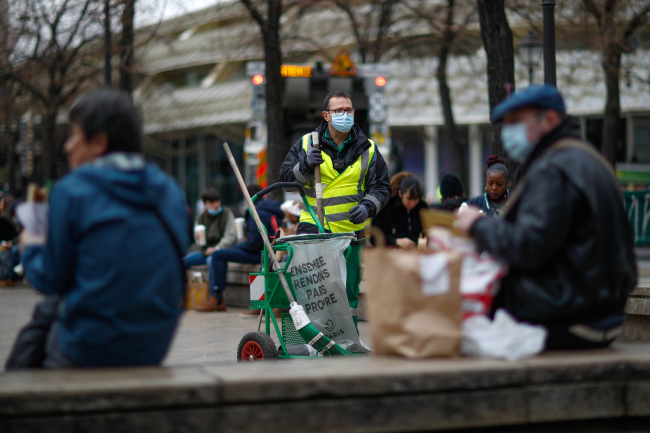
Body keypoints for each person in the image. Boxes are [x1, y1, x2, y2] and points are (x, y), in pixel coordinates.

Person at [6, 88, 190, 369]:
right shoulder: (170, 191)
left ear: (99, 142)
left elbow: (49, 280)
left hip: (89, 348)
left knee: (42, 321)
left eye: (73, 136)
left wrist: (31, 245)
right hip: (153, 347)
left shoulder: (73, 190)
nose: (67, 146)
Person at [456, 84, 636, 350]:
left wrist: (476, 224)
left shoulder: (553, 168)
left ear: (550, 119)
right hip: (599, 311)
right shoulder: (586, 158)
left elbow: (525, 245)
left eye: (517, 122)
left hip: (569, 313)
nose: (508, 132)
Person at [279, 90, 391, 326]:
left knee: (348, 291)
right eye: (338, 110)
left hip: (351, 233)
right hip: (314, 228)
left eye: (349, 110)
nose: (345, 114)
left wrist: (368, 206)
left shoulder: (368, 149)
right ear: (326, 116)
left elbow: (382, 187)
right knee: (314, 290)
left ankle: (347, 340)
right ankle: (313, 341)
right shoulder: (308, 143)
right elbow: (286, 181)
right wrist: (305, 166)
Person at [195, 184, 283, 312]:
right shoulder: (271, 208)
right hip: (271, 250)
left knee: (218, 255)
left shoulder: (257, 212)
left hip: (262, 252)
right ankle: (222, 300)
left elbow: (253, 244)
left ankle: (218, 298)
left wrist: (238, 246)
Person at [183, 188, 237, 295]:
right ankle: (181, 295)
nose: (216, 205)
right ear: (206, 204)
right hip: (205, 252)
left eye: (218, 201)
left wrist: (217, 248)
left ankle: (215, 297)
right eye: (212, 202)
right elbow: (199, 243)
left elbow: (231, 236)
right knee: (183, 262)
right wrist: (197, 238)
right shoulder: (200, 218)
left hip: (220, 251)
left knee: (211, 261)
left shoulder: (227, 214)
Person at [373, 173, 428, 249]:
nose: (412, 203)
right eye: (409, 199)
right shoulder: (385, 206)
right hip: (389, 253)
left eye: (416, 199)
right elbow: (375, 236)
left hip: (414, 253)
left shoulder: (422, 207)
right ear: (400, 194)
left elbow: (428, 232)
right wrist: (396, 241)